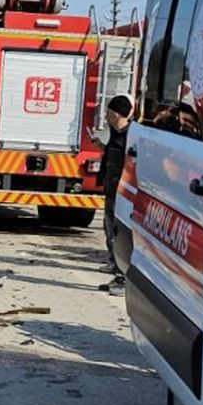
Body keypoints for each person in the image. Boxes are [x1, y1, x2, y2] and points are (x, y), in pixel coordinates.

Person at [93, 95, 133, 296]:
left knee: (119, 235)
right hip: (111, 191)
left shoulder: (132, 137)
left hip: (124, 195)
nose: (106, 116)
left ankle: (122, 278)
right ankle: (114, 264)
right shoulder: (116, 134)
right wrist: (101, 147)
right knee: (109, 231)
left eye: (108, 113)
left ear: (116, 114)